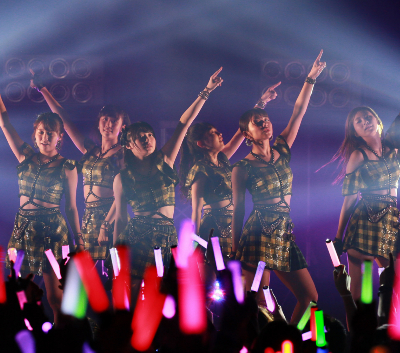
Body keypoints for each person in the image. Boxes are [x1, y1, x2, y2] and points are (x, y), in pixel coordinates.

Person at [331, 49, 400, 301]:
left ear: (377, 121)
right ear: (355, 131)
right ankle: (358, 326)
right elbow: (349, 199)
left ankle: (391, 325)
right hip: (365, 218)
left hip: (390, 219)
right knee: (361, 295)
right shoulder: (358, 155)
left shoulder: (393, 146)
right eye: (358, 121)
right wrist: (338, 237)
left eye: (367, 117)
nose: (364, 121)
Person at [0, 66, 82, 323]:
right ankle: (20, 337)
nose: (45, 137)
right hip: (22, 228)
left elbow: (71, 207)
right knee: (17, 291)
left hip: (53, 230)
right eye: (41, 132)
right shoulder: (25, 156)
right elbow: (5, 123)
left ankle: (59, 337)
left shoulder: (68, 167)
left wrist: (79, 240)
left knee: (55, 297)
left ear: (59, 138)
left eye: (50, 133)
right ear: (35, 136)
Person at [231, 51, 326, 324]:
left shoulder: (282, 149)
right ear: (247, 134)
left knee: (310, 297)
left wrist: (310, 78)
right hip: (258, 233)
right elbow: (238, 210)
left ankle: (291, 341)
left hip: (284, 231)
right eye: (258, 122)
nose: (265, 123)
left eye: (266, 120)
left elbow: (298, 112)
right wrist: (235, 250)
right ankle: (261, 345)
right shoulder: (242, 167)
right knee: (258, 303)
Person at [113, 68, 224, 284]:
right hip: (137, 236)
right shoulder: (122, 177)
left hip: (167, 235)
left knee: (167, 292)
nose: (147, 139)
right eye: (140, 137)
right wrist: (117, 255)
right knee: (136, 291)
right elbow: (120, 218)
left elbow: (184, 124)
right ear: (128, 145)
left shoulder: (164, 160)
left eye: (150, 135)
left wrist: (206, 91)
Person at [32, 73, 130, 274]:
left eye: (113, 121)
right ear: (99, 122)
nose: (108, 124)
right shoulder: (91, 151)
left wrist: (106, 225)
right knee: (82, 277)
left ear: (122, 127)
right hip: (89, 219)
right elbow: (64, 121)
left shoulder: (124, 155)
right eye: (105, 119)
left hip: (111, 218)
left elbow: (124, 194)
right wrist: (43, 89)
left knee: (116, 275)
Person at [179, 82, 280, 261]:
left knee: (233, 274)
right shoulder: (200, 170)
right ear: (201, 144)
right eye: (213, 133)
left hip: (230, 228)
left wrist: (262, 102)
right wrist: (195, 244)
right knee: (214, 276)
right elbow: (196, 211)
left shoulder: (223, 160)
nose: (220, 134)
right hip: (212, 229)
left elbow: (242, 132)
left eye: (217, 131)